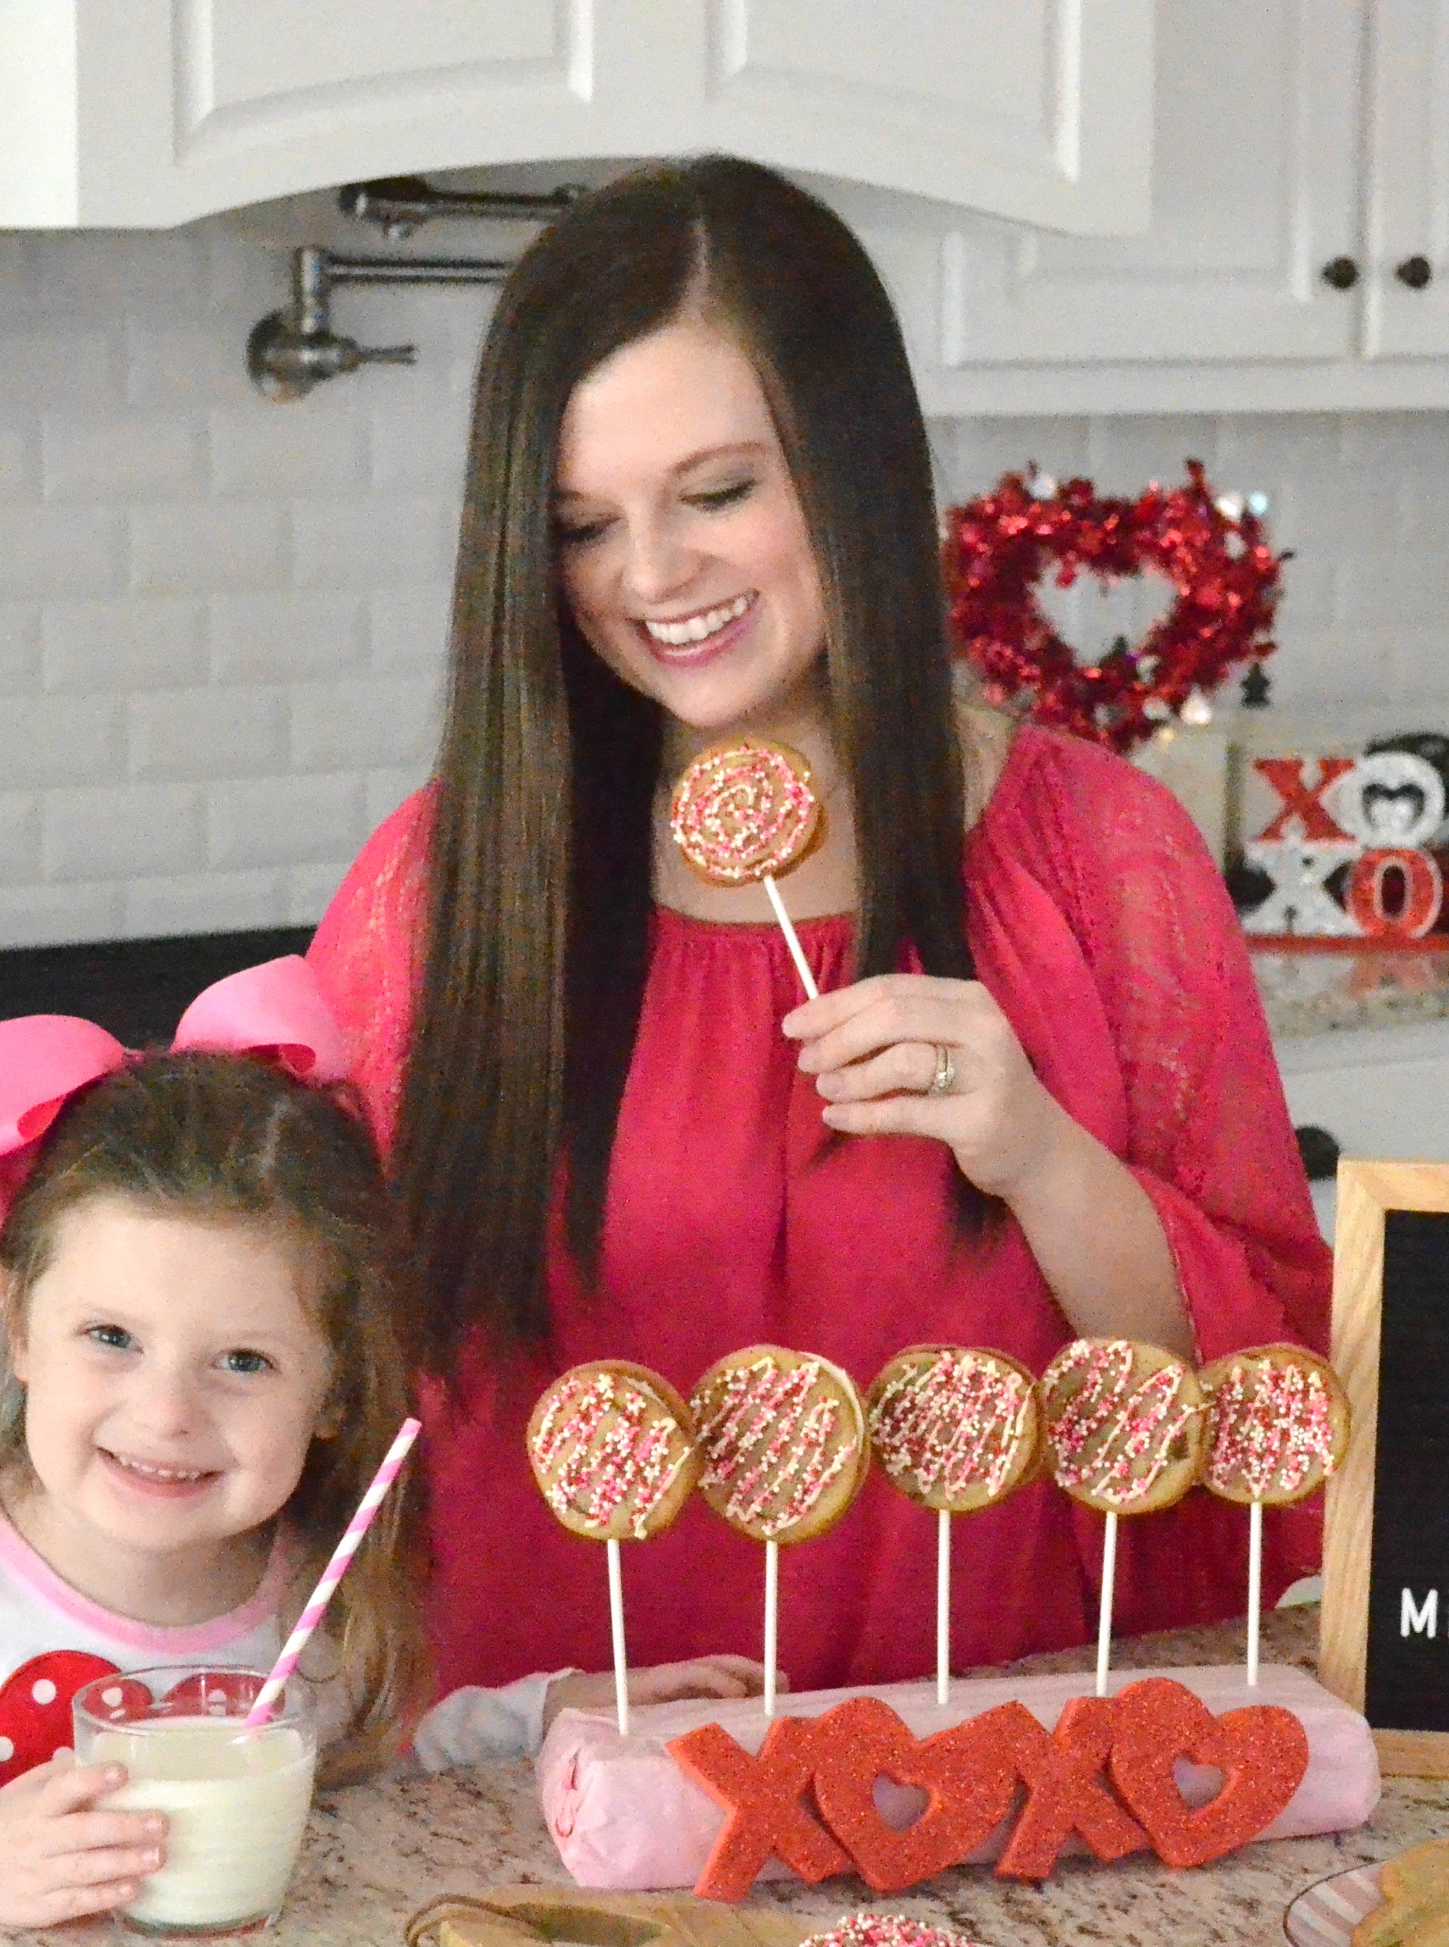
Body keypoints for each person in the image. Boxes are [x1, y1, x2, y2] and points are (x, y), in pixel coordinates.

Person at [308, 158, 1330, 1701]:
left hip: (992, 1776)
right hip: (553, 1806)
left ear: (851, 471)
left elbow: (1261, 1399)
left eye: (718, 493)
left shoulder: (1100, 858)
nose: (651, 577)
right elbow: (293, 1364)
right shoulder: (448, 887)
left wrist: (1040, 1158)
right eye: (584, 524)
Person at [0, 960, 760, 1929]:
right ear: (18, 1325)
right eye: (111, 1337)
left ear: (335, 1390)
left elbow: (366, 1763)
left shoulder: (310, 1588)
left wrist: (546, 1711)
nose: (166, 1414)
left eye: (243, 1362)